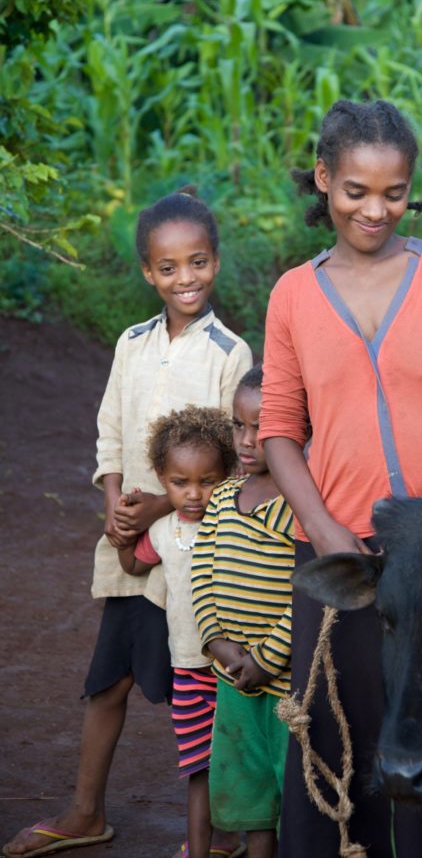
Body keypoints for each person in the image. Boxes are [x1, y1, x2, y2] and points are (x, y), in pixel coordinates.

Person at [259, 99, 422, 858]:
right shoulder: (293, 294)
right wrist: (332, 534)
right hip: (337, 557)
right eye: (355, 191)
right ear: (324, 180)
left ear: (410, 189)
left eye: (393, 192)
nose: (375, 210)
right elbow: (278, 429)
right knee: (339, 737)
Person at [2, 188, 251, 858]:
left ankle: (220, 829)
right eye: (168, 267)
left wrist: (165, 505)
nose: (185, 278)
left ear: (216, 263)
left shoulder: (230, 353)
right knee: (106, 680)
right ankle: (86, 812)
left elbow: (235, 456)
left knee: (204, 683)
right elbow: (110, 428)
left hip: (195, 550)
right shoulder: (131, 343)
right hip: (127, 546)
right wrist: (115, 500)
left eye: (197, 262)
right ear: (148, 272)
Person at [118, 404, 246, 858]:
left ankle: (246, 841)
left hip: (241, 669)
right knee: (199, 768)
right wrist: (121, 536)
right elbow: (135, 565)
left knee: (247, 761)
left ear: (227, 473)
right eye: (180, 482)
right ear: (161, 477)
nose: (194, 494)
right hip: (189, 670)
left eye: (207, 481)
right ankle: (200, 848)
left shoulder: (233, 522)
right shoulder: (163, 530)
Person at [191, 364, 294, 858]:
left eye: (262, 427)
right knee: (250, 799)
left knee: (294, 794)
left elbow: (306, 598)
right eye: (238, 425)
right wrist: (215, 640)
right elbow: (202, 572)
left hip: (285, 689)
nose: (247, 440)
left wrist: (267, 659)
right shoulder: (224, 497)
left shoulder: (301, 505)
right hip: (234, 683)